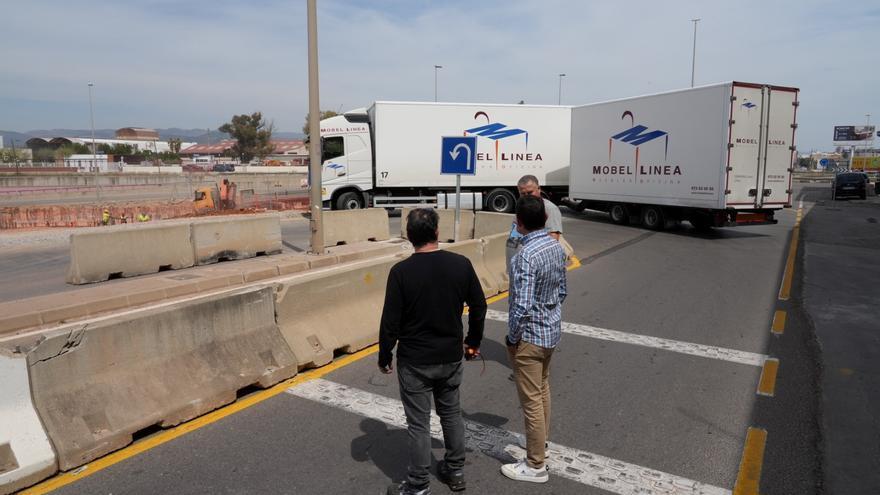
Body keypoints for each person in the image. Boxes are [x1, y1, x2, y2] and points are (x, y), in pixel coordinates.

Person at [379, 208, 487, 495]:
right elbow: (479, 305)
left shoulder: (400, 272)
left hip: (414, 360)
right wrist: (473, 341)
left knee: (418, 424)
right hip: (450, 356)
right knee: (451, 414)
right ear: (437, 233)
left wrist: (384, 355)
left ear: (408, 237)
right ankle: (455, 470)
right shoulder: (460, 264)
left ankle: (418, 484)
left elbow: (390, 320)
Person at [501, 195, 567, 484]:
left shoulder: (524, 256)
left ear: (519, 222)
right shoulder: (555, 246)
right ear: (544, 219)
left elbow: (521, 305)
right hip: (550, 331)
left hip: (529, 336)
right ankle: (544, 445)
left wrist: (512, 338)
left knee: (530, 402)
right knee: (542, 389)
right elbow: (562, 290)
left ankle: (535, 465)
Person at [506, 175, 563, 272]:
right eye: (523, 194)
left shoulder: (549, 209)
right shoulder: (521, 208)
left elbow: (552, 239)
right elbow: (514, 239)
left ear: (539, 189)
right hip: (518, 265)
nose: (527, 196)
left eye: (530, 192)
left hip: (535, 267)